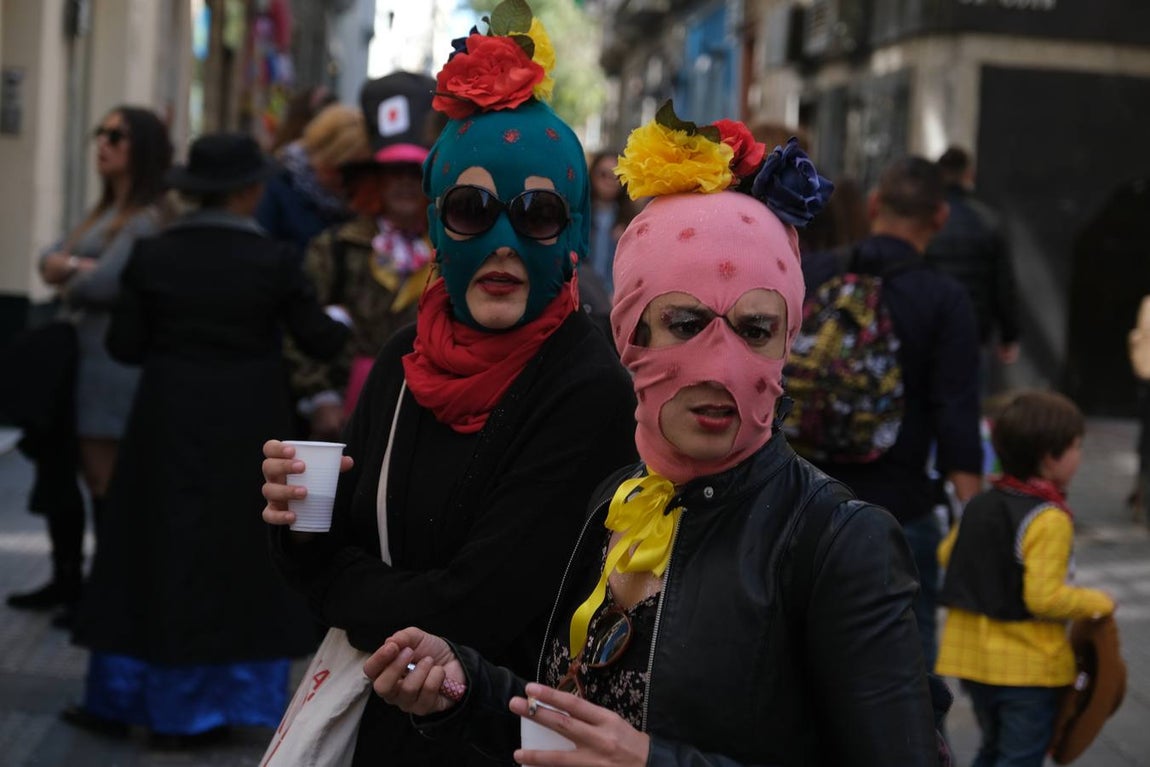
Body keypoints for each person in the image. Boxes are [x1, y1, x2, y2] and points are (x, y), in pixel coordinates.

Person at [363, 105, 941, 766]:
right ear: (630, 336)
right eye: (686, 322)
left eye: (755, 330)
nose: (721, 367)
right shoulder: (619, 498)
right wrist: (466, 687)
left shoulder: (840, 542)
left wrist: (652, 762)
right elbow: (576, 731)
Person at [259, 7, 638, 764]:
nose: (502, 244)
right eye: (470, 210)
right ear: (438, 225)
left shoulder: (587, 387)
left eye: (536, 214)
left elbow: (477, 607)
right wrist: (295, 519)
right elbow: (326, 563)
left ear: (568, 239)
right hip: (382, 728)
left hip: (502, 739)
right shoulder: (405, 359)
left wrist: (342, 579)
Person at [62, 133, 350, 746]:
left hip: (164, 418)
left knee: (149, 549)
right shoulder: (275, 261)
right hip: (247, 420)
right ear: (249, 190)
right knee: (235, 555)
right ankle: (218, 705)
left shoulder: (153, 254)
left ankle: (126, 697)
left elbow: (125, 345)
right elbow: (322, 340)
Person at [802, 157, 984, 670]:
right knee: (909, 670)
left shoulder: (813, 274)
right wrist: (972, 520)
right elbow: (956, 416)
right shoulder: (946, 300)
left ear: (875, 205)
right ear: (940, 217)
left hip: (802, 498)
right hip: (899, 510)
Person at [8, 106, 173, 627]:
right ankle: (68, 579)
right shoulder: (103, 212)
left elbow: (104, 284)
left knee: (104, 481)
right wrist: (78, 265)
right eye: (99, 132)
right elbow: (46, 260)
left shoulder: (146, 219)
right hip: (73, 365)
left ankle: (101, 595)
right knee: (63, 471)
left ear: (140, 149)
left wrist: (71, 269)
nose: (102, 143)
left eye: (115, 136)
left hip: (110, 368)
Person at [936, 390, 1115, 767]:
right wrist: (1097, 602)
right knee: (1020, 757)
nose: (1080, 456)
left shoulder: (981, 503)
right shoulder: (1048, 518)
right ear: (1051, 458)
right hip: (1027, 671)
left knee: (992, 749)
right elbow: (1044, 598)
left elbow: (947, 555)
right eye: (1077, 447)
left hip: (973, 663)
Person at [291, 73, 438, 440]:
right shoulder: (334, 248)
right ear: (372, 180)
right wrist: (320, 396)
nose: (405, 183)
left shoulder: (453, 251)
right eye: (392, 173)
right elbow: (298, 328)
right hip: (345, 416)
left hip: (429, 415)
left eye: (415, 173)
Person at [925, 147, 1021, 386]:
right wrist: (1009, 335)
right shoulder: (987, 220)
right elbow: (1002, 285)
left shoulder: (925, 219)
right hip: (972, 330)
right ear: (969, 174)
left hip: (928, 326)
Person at [256, 103, 365, 254]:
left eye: (359, 171)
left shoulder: (357, 202)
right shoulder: (278, 186)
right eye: (341, 168)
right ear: (323, 156)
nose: (345, 179)